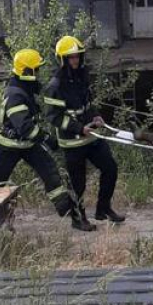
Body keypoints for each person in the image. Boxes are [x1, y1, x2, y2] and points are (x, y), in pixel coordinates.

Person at [0, 49, 95, 232]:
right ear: (26, 71)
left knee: (52, 175)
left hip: (28, 144)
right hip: (9, 147)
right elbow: (25, 127)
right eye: (35, 69)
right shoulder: (15, 95)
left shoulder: (25, 87)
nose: (38, 73)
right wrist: (47, 138)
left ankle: (74, 216)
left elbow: (42, 104)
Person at [43, 36, 125, 225]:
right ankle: (78, 219)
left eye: (77, 56)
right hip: (72, 142)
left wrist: (95, 116)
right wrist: (79, 128)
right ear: (62, 59)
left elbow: (88, 104)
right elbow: (54, 116)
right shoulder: (55, 86)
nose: (76, 60)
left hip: (91, 137)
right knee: (77, 183)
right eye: (71, 57)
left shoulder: (82, 77)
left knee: (110, 168)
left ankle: (103, 209)